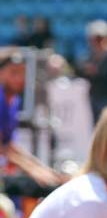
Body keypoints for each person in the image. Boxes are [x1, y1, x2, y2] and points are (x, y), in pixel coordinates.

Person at [0, 52, 63, 200]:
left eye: (23, 73)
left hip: (5, 170)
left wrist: (42, 169)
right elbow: (3, 148)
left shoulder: (13, 100)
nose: (20, 78)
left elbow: (8, 145)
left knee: (51, 184)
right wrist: (34, 171)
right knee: (46, 187)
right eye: (13, 73)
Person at [75, 20, 107, 123]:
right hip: (90, 98)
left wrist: (92, 70)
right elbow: (79, 71)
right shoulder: (88, 56)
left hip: (106, 98)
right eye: (94, 39)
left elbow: (104, 73)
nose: (96, 42)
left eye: (99, 39)